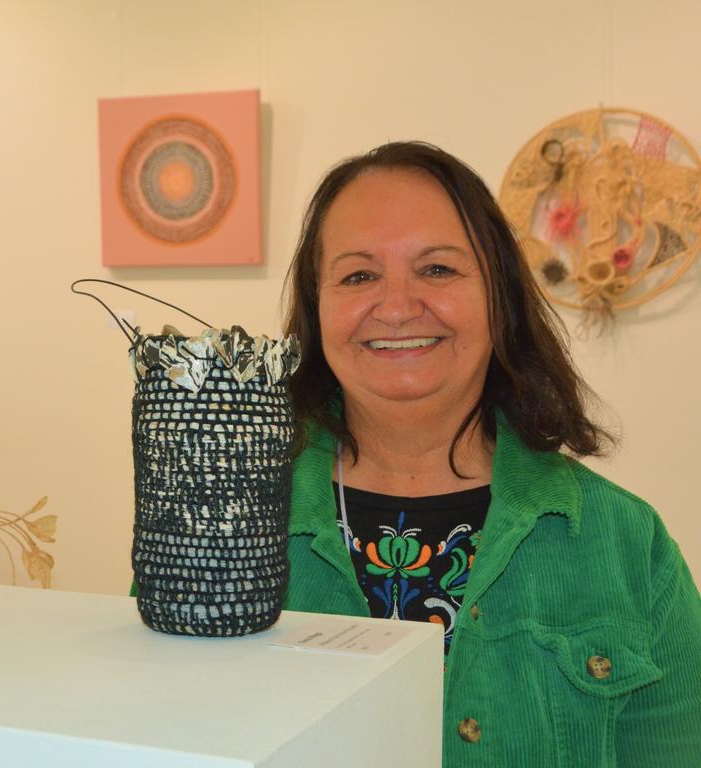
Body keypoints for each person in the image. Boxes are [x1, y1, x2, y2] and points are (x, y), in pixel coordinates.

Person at [281, 141, 701, 765]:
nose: (396, 307)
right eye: (359, 275)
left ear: (498, 298)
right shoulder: (212, 526)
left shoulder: (625, 541)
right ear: (318, 308)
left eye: (438, 269)